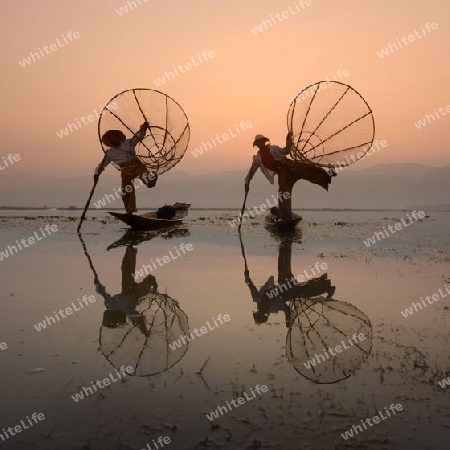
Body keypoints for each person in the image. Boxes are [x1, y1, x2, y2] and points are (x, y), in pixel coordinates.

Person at [245, 133, 336, 221]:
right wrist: (247, 183)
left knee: (307, 169)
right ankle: (285, 216)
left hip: (289, 165)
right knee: (284, 193)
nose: (260, 143)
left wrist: (288, 140)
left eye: (261, 141)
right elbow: (251, 172)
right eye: (258, 142)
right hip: (282, 173)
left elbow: (286, 150)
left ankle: (328, 174)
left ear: (264, 141)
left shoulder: (273, 148)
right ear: (256, 145)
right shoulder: (257, 159)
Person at [94, 121, 158, 214]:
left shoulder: (128, 143)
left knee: (144, 175)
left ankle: (151, 181)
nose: (113, 140)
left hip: (136, 165)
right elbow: (101, 165)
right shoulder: (110, 153)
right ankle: (130, 211)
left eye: (114, 138)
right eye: (110, 139)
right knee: (126, 189)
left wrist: (143, 128)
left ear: (118, 137)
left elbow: (139, 137)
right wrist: (96, 174)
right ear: (108, 142)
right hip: (125, 170)